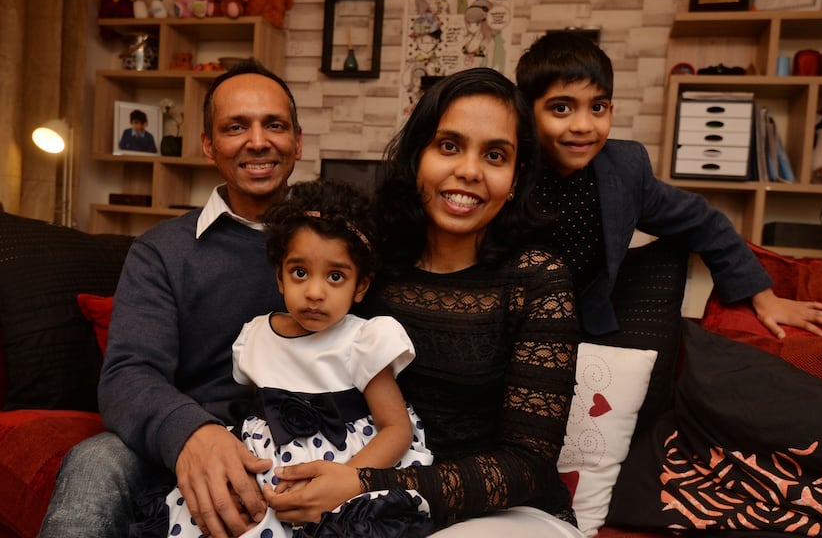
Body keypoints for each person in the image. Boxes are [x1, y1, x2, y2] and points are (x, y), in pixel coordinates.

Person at [263, 67, 585, 537]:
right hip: (367, 502)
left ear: (515, 178)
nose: (469, 171)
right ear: (417, 158)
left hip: (503, 515)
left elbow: (528, 465)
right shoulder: (368, 267)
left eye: (495, 155)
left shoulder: (538, 280)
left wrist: (364, 483)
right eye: (449, 146)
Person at [38, 59, 302, 538]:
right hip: (185, 433)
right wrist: (192, 433)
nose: (258, 141)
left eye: (275, 125)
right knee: (95, 459)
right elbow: (128, 374)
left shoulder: (338, 245)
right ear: (208, 145)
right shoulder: (163, 249)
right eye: (235, 127)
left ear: (297, 142)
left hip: (305, 437)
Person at [515, 29, 822, 339]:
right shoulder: (507, 169)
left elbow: (704, 221)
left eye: (597, 107)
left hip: (584, 323)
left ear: (611, 110)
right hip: (505, 319)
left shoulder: (625, 170)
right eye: (561, 108)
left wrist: (764, 297)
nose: (584, 125)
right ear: (527, 114)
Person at [162, 179, 433, 538]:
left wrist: (349, 479)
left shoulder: (364, 339)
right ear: (279, 277)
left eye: (336, 276)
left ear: (361, 286)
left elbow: (397, 429)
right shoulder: (255, 336)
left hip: (347, 472)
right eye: (300, 273)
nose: (315, 292)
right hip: (268, 477)